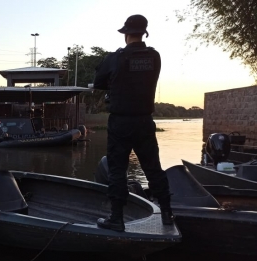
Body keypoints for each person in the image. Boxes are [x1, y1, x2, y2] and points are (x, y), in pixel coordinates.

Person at [91, 14, 174, 231]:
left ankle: (116, 218)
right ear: (144, 32)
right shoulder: (155, 56)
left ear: (126, 34)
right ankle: (167, 213)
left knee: (118, 169)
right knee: (153, 168)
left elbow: (99, 82)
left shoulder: (115, 58)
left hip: (120, 122)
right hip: (145, 121)